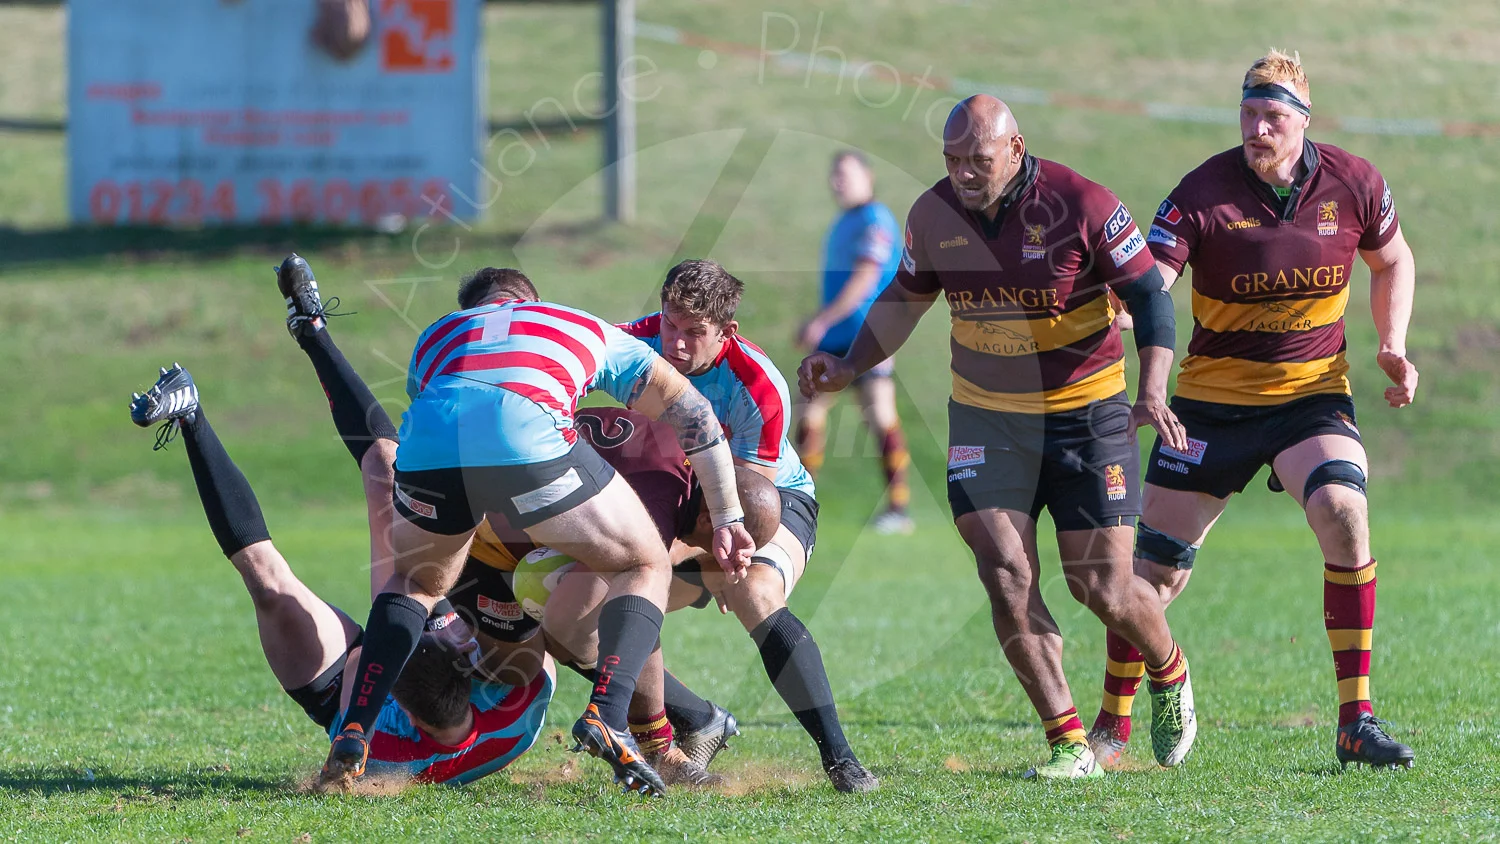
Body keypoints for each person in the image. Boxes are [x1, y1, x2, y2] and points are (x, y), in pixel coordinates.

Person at [798, 95, 1197, 779]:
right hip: (986, 417)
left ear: (1015, 149)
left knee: (1101, 587)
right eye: (951, 160)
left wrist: (1152, 388)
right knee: (1006, 574)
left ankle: (1168, 669)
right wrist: (847, 363)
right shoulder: (931, 215)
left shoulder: (1083, 202)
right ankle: (1069, 741)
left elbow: (1151, 301)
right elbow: (903, 298)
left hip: (1087, 415)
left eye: (977, 160)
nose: (963, 173)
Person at [300, 259, 757, 795]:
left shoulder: (438, 335)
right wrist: (726, 518)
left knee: (417, 583)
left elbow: (442, 412)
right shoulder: (576, 323)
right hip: (528, 436)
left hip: (431, 444)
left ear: (472, 311)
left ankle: (355, 729)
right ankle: (608, 715)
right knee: (644, 560)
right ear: (531, 302)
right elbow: (696, 415)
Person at [1087, 50, 1417, 770]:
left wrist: (1392, 343)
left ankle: (1355, 721)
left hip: (1311, 399)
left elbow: (1393, 259)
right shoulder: (1202, 193)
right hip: (1209, 407)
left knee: (1344, 512)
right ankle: (1112, 727)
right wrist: (1117, 309)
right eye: (1248, 112)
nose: (1258, 127)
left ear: (1304, 121)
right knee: (1149, 578)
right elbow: (1154, 282)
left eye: (1273, 115)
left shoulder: (1354, 182)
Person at [128, 363, 553, 787]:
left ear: (404, 713)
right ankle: (311, 328)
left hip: (345, 694)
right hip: (433, 639)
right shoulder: (520, 701)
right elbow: (543, 653)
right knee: (388, 473)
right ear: (466, 665)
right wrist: (475, 627)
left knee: (268, 584)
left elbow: (353, 695)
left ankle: (191, 416)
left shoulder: (389, 758)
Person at [620, 260, 879, 792]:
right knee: (594, 598)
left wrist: (716, 554)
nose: (678, 344)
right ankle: (695, 720)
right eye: (670, 324)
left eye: (695, 333)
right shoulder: (633, 343)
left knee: (754, 592)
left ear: (726, 332)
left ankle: (841, 759)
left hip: (766, 501)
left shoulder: (759, 385)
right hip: (679, 502)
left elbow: (749, 503)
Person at [794, 150, 913, 535]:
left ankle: (899, 509)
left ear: (868, 176)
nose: (837, 182)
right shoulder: (843, 221)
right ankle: (801, 504)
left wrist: (820, 320)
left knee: (879, 416)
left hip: (869, 336)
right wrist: (821, 323)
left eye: (845, 174)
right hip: (835, 338)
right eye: (834, 175)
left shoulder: (874, 219)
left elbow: (865, 278)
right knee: (808, 414)